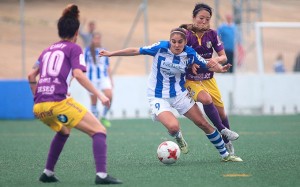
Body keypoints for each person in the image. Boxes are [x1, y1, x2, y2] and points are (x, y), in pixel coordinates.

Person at [100, 27, 242, 162]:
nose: (176, 45)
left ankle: (225, 154)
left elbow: (207, 64)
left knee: (203, 123)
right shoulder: (161, 47)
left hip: (179, 94)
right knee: (173, 127)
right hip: (157, 95)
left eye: (180, 42)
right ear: (170, 41)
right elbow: (136, 50)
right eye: (173, 41)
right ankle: (178, 137)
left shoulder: (190, 53)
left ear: (185, 42)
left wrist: (219, 68)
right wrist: (111, 53)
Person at [27, 4, 122, 185]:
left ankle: (47, 172)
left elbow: (31, 75)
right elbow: (79, 75)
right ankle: (101, 176)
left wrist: (36, 97)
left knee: (63, 132)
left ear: (59, 31)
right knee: (99, 131)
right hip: (58, 102)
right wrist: (100, 95)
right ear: (77, 33)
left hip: (39, 106)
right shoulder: (74, 48)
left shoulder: (46, 51)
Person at [180, 3, 242, 158]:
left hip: (208, 78)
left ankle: (227, 142)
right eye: (201, 18)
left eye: (207, 19)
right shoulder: (185, 35)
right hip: (190, 80)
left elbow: (223, 56)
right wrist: (190, 62)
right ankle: (222, 130)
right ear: (193, 17)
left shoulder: (212, 34)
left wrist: (216, 60)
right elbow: (178, 55)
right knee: (206, 99)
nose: (204, 21)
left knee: (221, 111)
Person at [85, 32, 113, 127]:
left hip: (103, 78)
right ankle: (95, 120)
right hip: (91, 79)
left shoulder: (104, 50)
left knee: (109, 96)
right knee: (94, 101)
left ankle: (103, 116)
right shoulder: (87, 50)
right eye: (95, 38)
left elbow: (107, 66)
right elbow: (83, 65)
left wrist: (111, 79)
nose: (97, 40)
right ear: (92, 39)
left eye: (99, 38)